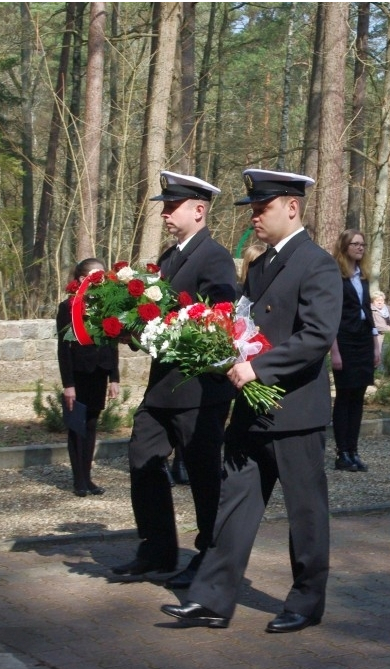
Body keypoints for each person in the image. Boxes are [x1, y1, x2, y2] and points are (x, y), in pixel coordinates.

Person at [161, 168, 341, 633]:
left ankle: (306, 601)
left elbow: (316, 336)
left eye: (262, 209)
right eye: (253, 210)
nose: (255, 218)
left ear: (292, 207)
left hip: (295, 410)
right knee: (234, 506)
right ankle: (211, 599)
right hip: (252, 407)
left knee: (306, 514)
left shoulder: (316, 263)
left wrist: (258, 369)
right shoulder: (260, 265)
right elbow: (245, 325)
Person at [112, 172, 238, 589]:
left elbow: (220, 317)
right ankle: (157, 548)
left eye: (172, 206)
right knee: (142, 457)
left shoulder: (214, 257)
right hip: (163, 386)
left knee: (204, 475)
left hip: (199, 389)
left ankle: (211, 557)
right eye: (164, 207)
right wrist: (133, 328)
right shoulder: (168, 259)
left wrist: (170, 327)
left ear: (199, 211)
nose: (165, 214)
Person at [56, 257, 120, 497]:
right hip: (78, 373)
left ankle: (88, 477)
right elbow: (63, 348)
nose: (102, 279)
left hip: (99, 372)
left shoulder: (107, 303)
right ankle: (78, 480)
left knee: (92, 425)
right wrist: (68, 384)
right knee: (77, 426)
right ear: (83, 279)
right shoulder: (68, 307)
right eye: (96, 275)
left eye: (104, 274)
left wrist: (114, 377)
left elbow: (113, 342)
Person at [330, 229, 382, 473]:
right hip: (344, 340)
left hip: (362, 340)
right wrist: (335, 352)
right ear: (345, 247)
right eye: (355, 244)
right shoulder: (335, 276)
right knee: (344, 396)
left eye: (363, 244)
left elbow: (367, 310)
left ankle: (353, 450)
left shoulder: (363, 276)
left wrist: (375, 345)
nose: (360, 248)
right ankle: (342, 453)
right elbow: (331, 316)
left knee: (358, 397)